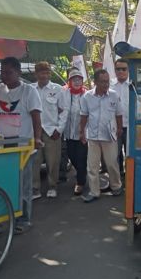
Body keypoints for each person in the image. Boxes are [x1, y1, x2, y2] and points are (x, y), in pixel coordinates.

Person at [0, 57, 43, 233]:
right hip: (2, 145)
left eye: (8, 72)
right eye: (2, 72)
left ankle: (24, 219)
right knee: (2, 182)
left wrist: (37, 138)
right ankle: (1, 219)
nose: (4, 76)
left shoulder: (29, 91)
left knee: (23, 184)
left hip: (24, 145)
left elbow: (36, 117)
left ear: (18, 72)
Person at [79, 69, 124, 203]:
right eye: (103, 82)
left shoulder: (114, 95)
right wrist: (82, 132)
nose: (106, 84)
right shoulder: (87, 96)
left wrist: (120, 128)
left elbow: (119, 114)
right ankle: (94, 191)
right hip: (93, 135)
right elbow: (84, 115)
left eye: (107, 81)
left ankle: (116, 186)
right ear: (96, 82)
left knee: (111, 163)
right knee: (92, 166)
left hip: (109, 135)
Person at [31, 62, 68, 199]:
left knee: (53, 161)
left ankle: (53, 186)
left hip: (52, 131)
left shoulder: (57, 89)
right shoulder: (31, 89)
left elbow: (64, 111)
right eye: (41, 72)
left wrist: (59, 129)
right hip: (35, 130)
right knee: (35, 161)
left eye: (46, 72)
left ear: (50, 74)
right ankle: (35, 188)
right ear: (36, 74)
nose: (44, 75)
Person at [61, 68, 89, 196]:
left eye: (79, 79)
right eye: (74, 79)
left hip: (84, 133)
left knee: (81, 157)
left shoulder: (87, 94)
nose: (77, 82)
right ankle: (82, 172)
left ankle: (80, 182)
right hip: (69, 133)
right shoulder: (65, 93)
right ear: (69, 81)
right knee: (72, 157)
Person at [111, 59, 130, 179]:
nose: (121, 71)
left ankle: (130, 178)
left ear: (128, 70)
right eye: (118, 69)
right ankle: (117, 178)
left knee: (130, 154)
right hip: (114, 126)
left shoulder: (134, 85)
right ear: (115, 70)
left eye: (124, 69)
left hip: (130, 126)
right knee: (115, 155)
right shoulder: (110, 86)